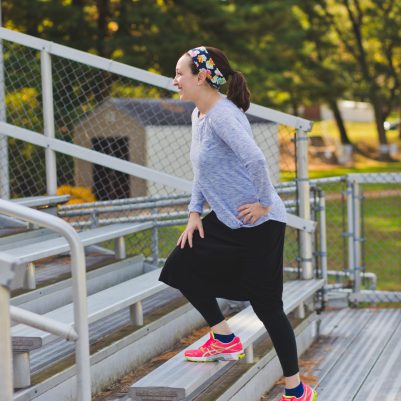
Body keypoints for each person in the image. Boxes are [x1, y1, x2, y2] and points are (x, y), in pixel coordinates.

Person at [159, 46, 317, 401]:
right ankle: (224, 338)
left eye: (180, 73)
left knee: (267, 308)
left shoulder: (222, 117)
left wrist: (263, 204)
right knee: (180, 266)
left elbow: (256, 160)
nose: (175, 80)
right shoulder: (199, 116)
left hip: (261, 226)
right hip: (229, 221)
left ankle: (297, 390)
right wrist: (194, 212)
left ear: (201, 77)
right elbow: (201, 171)